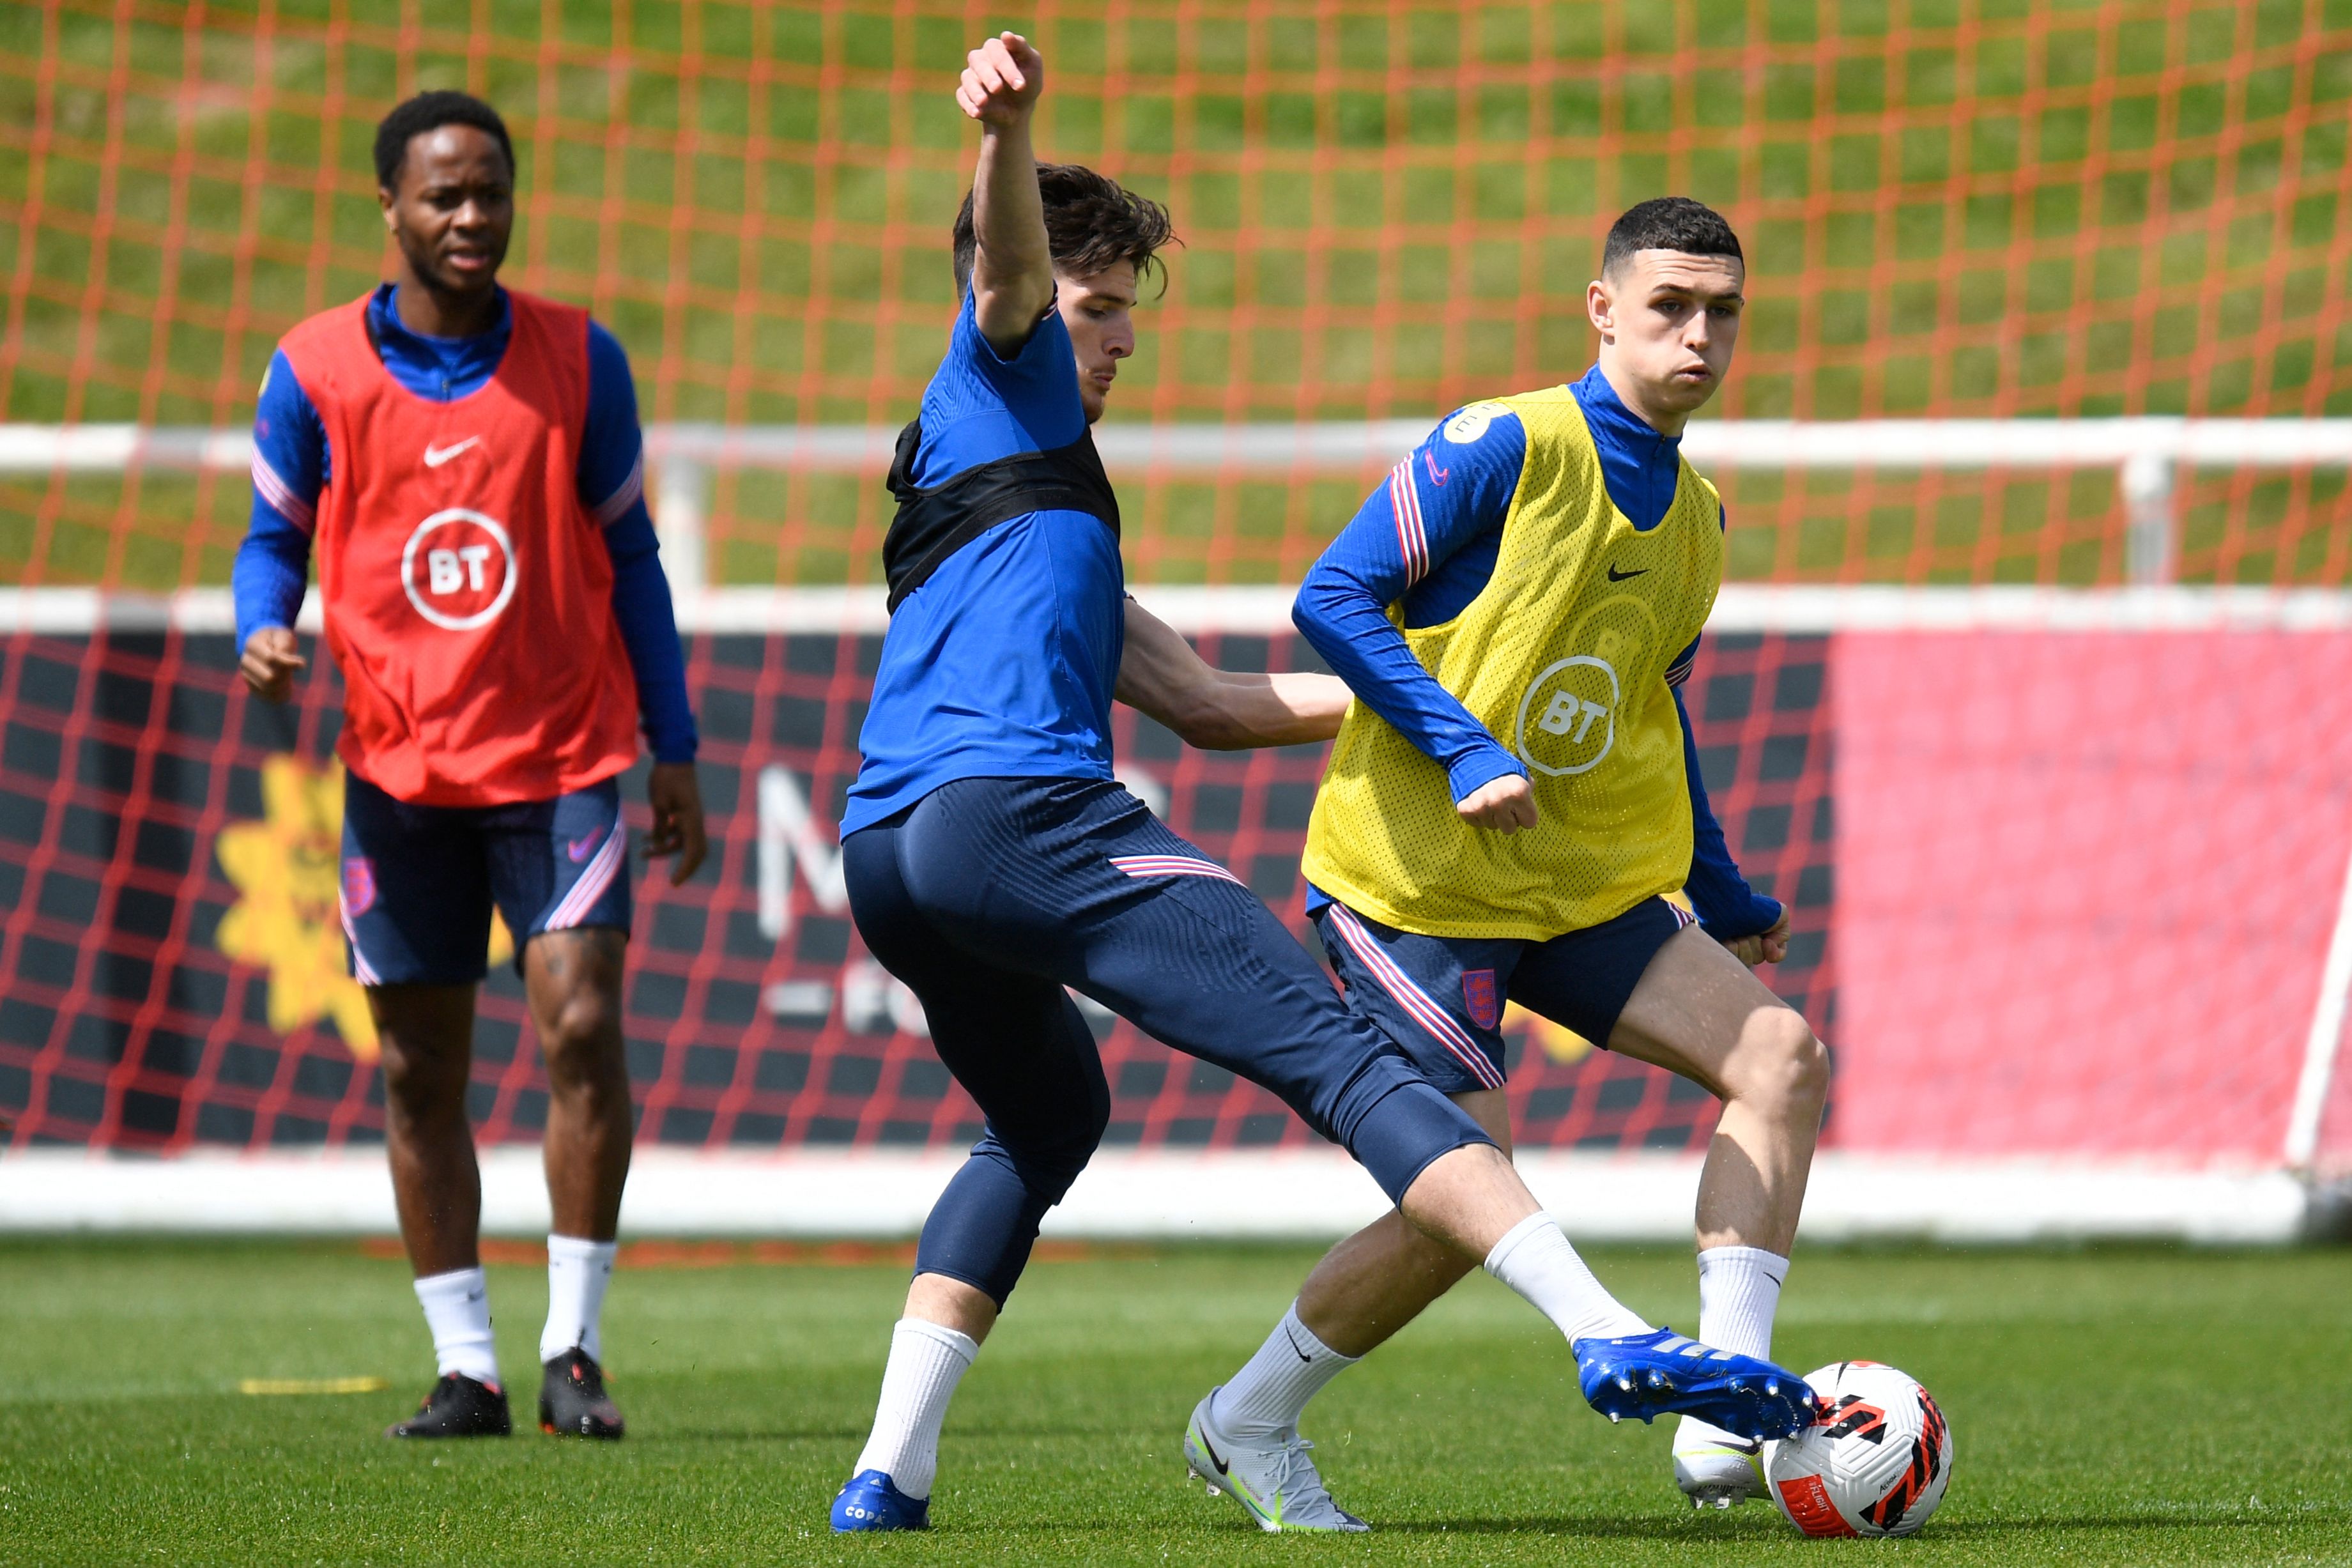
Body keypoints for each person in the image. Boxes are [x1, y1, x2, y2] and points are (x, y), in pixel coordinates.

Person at [827, 40, 1817, 1535]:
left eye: (1119, 326)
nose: (1112, 347)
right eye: (1095, 317)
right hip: (1019, 820)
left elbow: (1215, 706)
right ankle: (1602, 1330)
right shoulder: (999, 366)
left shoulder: (1023, 493)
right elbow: (1007, 278)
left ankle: (883, 1476)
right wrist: (1011, 135)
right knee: (1354, 1080)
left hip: (888, 856)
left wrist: (1437, 708)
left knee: (1042, 1127)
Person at [1185, 196, 1829, 1528]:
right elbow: (1329, 597)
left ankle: (1723, 1410)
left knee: (1780, 1060)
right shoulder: (1506, 441)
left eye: (1721, 312)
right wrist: (1463, 748)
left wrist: (1718, 890)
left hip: (1574, 884)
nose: (1697, 334)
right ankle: (1245, 1418)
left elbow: (1648, 707)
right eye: (1668, 306)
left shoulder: (1700, 514)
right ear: (1601, 311)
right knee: (1455, 1204)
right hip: (1411, 881)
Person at [233, 90, 707, 1442]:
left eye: (490, 192)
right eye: (443, 196)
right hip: (397, 773)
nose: (470, 218)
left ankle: (573, 1354)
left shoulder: (575, 358)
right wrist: (260, 628)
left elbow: (633, 563)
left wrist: (673, 747)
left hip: (561, 759)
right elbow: (271, 540)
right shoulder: (315, 368)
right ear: (388, 206)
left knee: (578, 1023)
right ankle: (467, 1370)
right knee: (415, 1073)